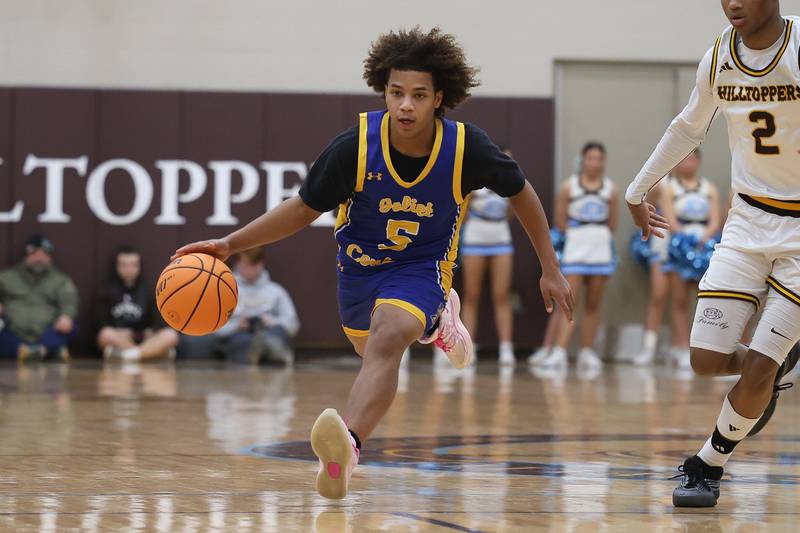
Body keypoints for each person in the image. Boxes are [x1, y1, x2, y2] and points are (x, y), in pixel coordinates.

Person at [172, 27, 574, 500]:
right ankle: (439, 322)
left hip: (422, 267)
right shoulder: (355, 147)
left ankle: (348, 447)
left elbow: (520, 191)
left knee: (389, 335)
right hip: (359, 273)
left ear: (438, 98)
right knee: (374, 347)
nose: (406, 105)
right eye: (396, 92)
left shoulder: (466, 147)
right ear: (384, 91)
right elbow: (302, 208)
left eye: (418, 95)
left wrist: (549, 267)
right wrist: (230, 243)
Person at [625, 0, 800, 507]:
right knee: (705, 359)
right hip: (746, 223)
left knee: (759, 366)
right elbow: (687, 126)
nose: (733, 3)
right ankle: (769, 373)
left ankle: (708, 463)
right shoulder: (719, 57)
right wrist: (637, 190)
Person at [532, 142, 617, 372]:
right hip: (575, 251)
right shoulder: (569, 187)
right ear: (583, 160)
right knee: (568, 302)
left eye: (599, 159)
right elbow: (560, 222)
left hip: (600, 251)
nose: (595, 163)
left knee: (593, 304)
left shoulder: (611, 189)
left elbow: (613, 223)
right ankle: (558, 351)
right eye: (590, 158)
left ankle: (587, 352)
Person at [178, 248, 299, 365]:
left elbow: (293, 324)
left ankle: (271, 350)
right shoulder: (223, 289)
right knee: (240, 340)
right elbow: (212, 327)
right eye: (247, 265)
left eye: (254, 265)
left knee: (276, 333)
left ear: (262, 264)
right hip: (237, 336)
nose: (251, 270)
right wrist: (236, 325)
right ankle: (257, 351)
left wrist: (270, 321)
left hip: (269, 333)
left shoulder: (276, 291)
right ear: (238, 264)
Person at [660, 150, 722, 369]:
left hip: (704, 248)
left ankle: (707, 348)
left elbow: (715, 220)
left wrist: (704, 238)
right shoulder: (670, 188)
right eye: (684, 158)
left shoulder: (709, 188)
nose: (688, 162)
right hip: (679, 247)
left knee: (706, 299)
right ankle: (681, 347)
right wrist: (685, 240)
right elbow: (669, 218)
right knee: (679, 300)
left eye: (692, 158)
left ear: (699, 161)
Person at [459, 146, 517, 366]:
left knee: (502, 295)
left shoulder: (512, 185)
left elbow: (511, 213)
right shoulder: (476, 183)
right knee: (471, 295)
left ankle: (506, 348)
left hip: (501, 239)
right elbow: (462, 214)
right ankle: (468, 348)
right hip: (475, 238)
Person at [0, 235, 78, 362]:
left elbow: (69, 302)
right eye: (36, 255)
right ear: (27, 255)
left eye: (45, 255)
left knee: (71, 325)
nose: (40, 259)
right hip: (13, 332)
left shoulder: (60, 280)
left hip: (47, 332)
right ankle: (48, 351)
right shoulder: (6, 277)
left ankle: (40, 350)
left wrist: (66, 316)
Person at [96, 246, 179, 361]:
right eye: (124, 265)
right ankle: (148, 355)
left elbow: (160, 321)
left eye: (133, 265)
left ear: (139, 266)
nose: (129, 269)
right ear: (116, 267)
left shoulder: (149, 291)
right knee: (106, 334)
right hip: (121, 339)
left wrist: (148, 331)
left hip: (146, 340)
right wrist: (119, 331)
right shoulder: (106, 291)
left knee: (171, 335)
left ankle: (129, 356)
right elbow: (100, 323)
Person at [632, 181, 672, 365]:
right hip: (664, 243)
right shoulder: (661, 184)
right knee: (658, 296)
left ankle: (681, 348)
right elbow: (644, 207)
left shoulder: (703, 187)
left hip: (690, 244)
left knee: (681, 301)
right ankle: (648, 347)